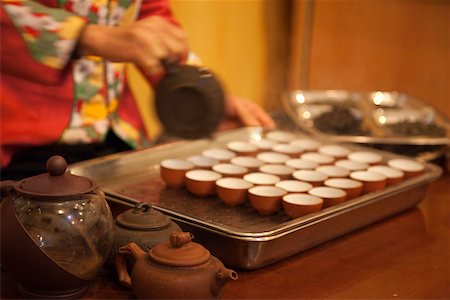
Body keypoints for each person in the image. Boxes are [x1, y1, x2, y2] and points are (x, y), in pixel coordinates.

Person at [0, 0, 275, 180]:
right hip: (22, 142)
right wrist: (91, 36)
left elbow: (151, 19)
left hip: (118, 136)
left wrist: (205, 98)